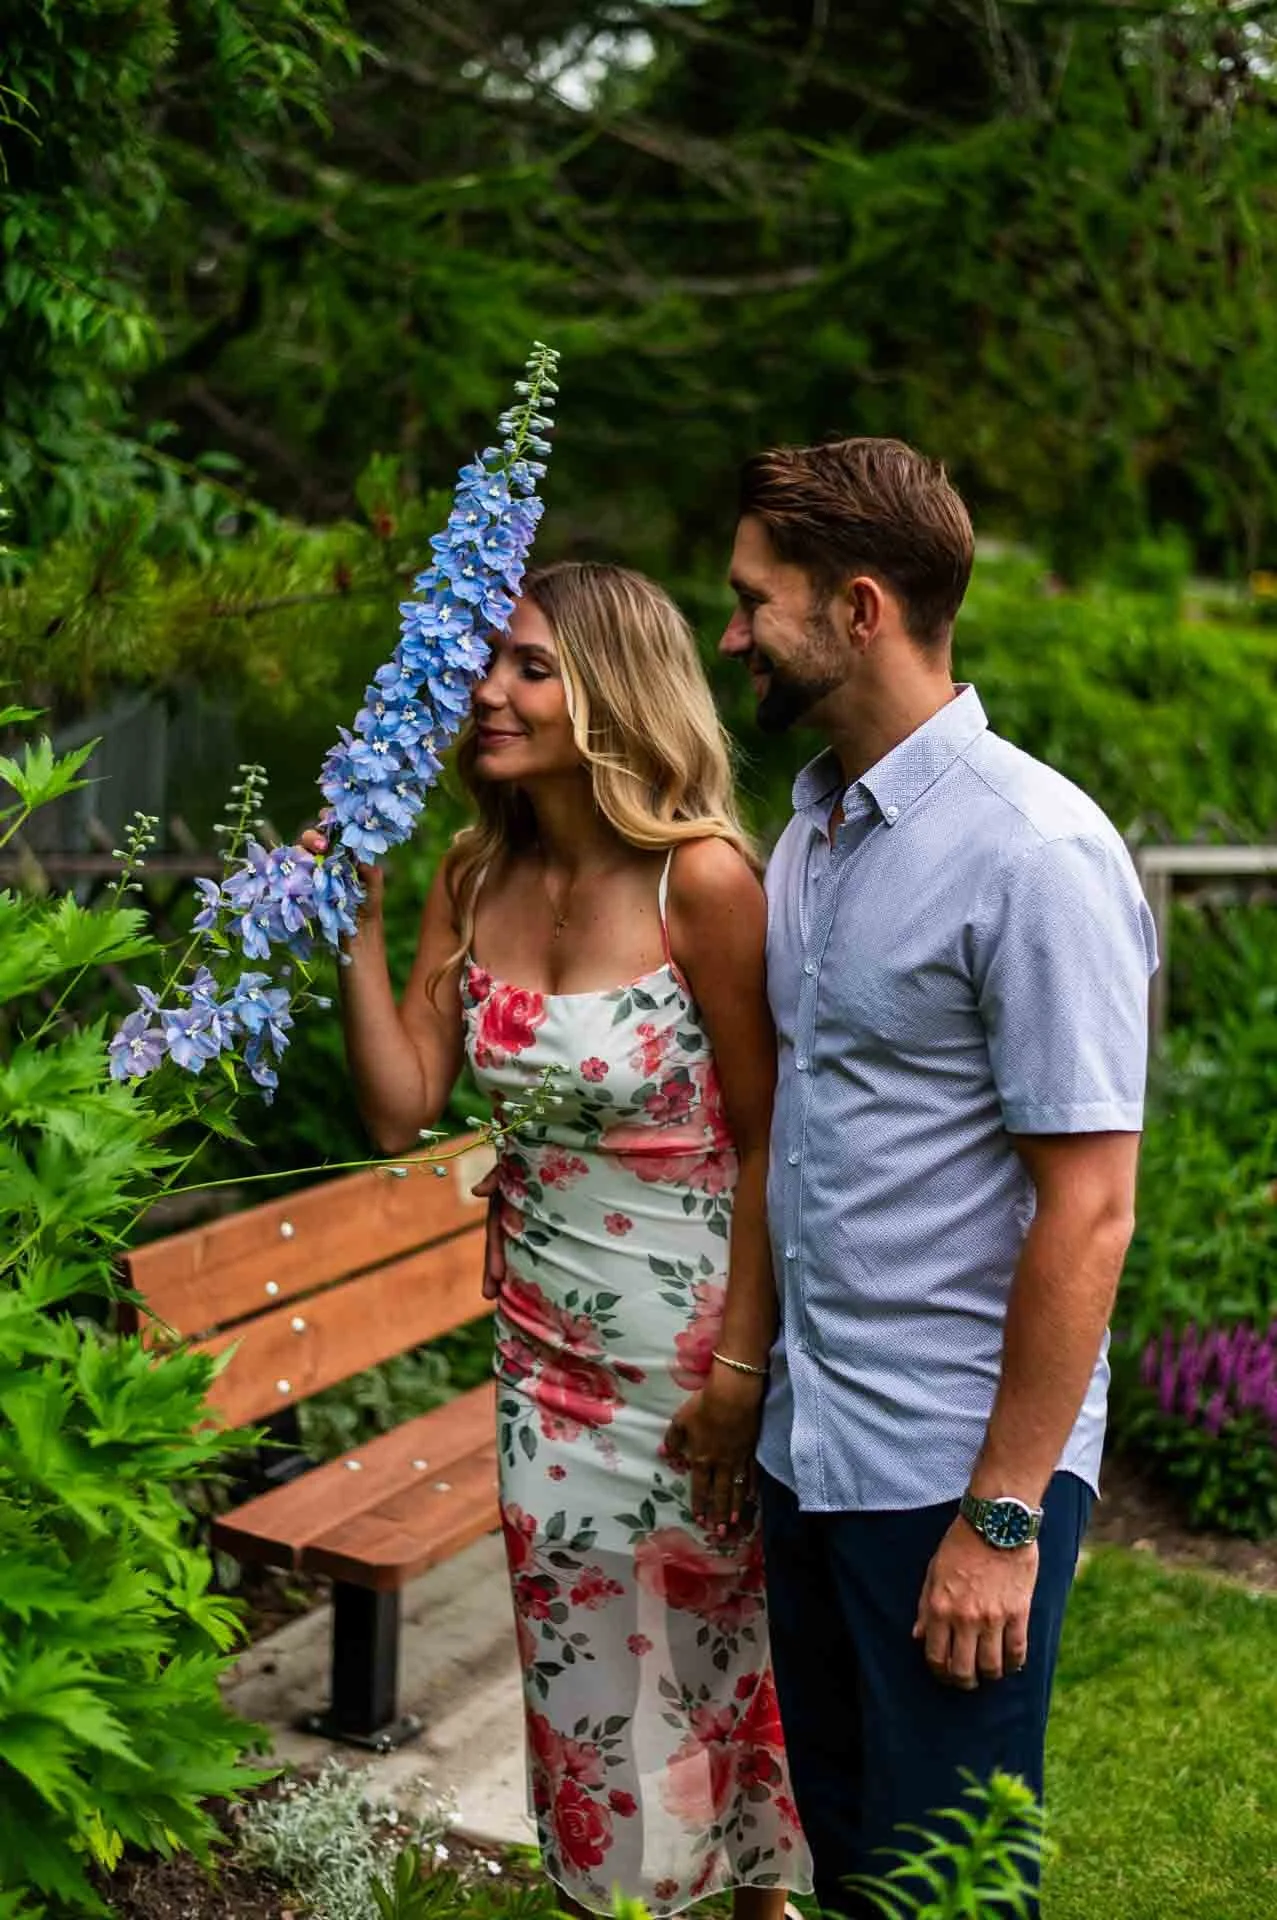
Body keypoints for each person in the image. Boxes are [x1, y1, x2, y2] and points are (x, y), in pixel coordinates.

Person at [308, 562, 811, 1919]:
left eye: (530, 666)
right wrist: (351, 923)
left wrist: (742, 1373)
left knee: (719, 1674)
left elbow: (772, 1139)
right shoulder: (474, 873)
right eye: (490, 665)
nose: (488, 692)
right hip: (542, 1359)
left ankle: (758, 1905)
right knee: (583, 1697)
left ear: (611, 688)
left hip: (698, 1357)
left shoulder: (701, 884)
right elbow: (404, 1100)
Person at [718, 438, 1157, 1918]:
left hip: (950, 1477)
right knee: (852, 1865)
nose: (730, 636)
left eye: (750, 601)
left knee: (948, 1892)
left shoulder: (1034, 854)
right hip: (813, 1449)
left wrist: (1005, 1516)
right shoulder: (814, 834)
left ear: (857, 610)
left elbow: (1091, 1207)